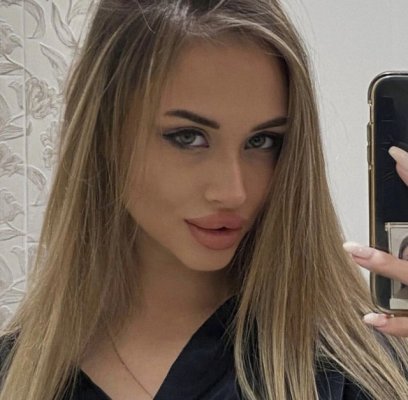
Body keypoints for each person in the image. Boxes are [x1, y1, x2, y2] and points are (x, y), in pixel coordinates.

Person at [0, 0, 408, 399]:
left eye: (262, 141)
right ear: (103, 133)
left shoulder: (348, 368)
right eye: (188, 137)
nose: (233, 191)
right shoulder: (17, 372)